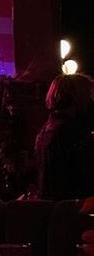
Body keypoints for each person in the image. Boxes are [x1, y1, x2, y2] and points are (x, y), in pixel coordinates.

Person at [34, 72, 94, 201]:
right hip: (72, 209)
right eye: (88, 94)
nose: (91, 100)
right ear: (77, 96)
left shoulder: (47, 129)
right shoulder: (70, 131)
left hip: (57, 208)